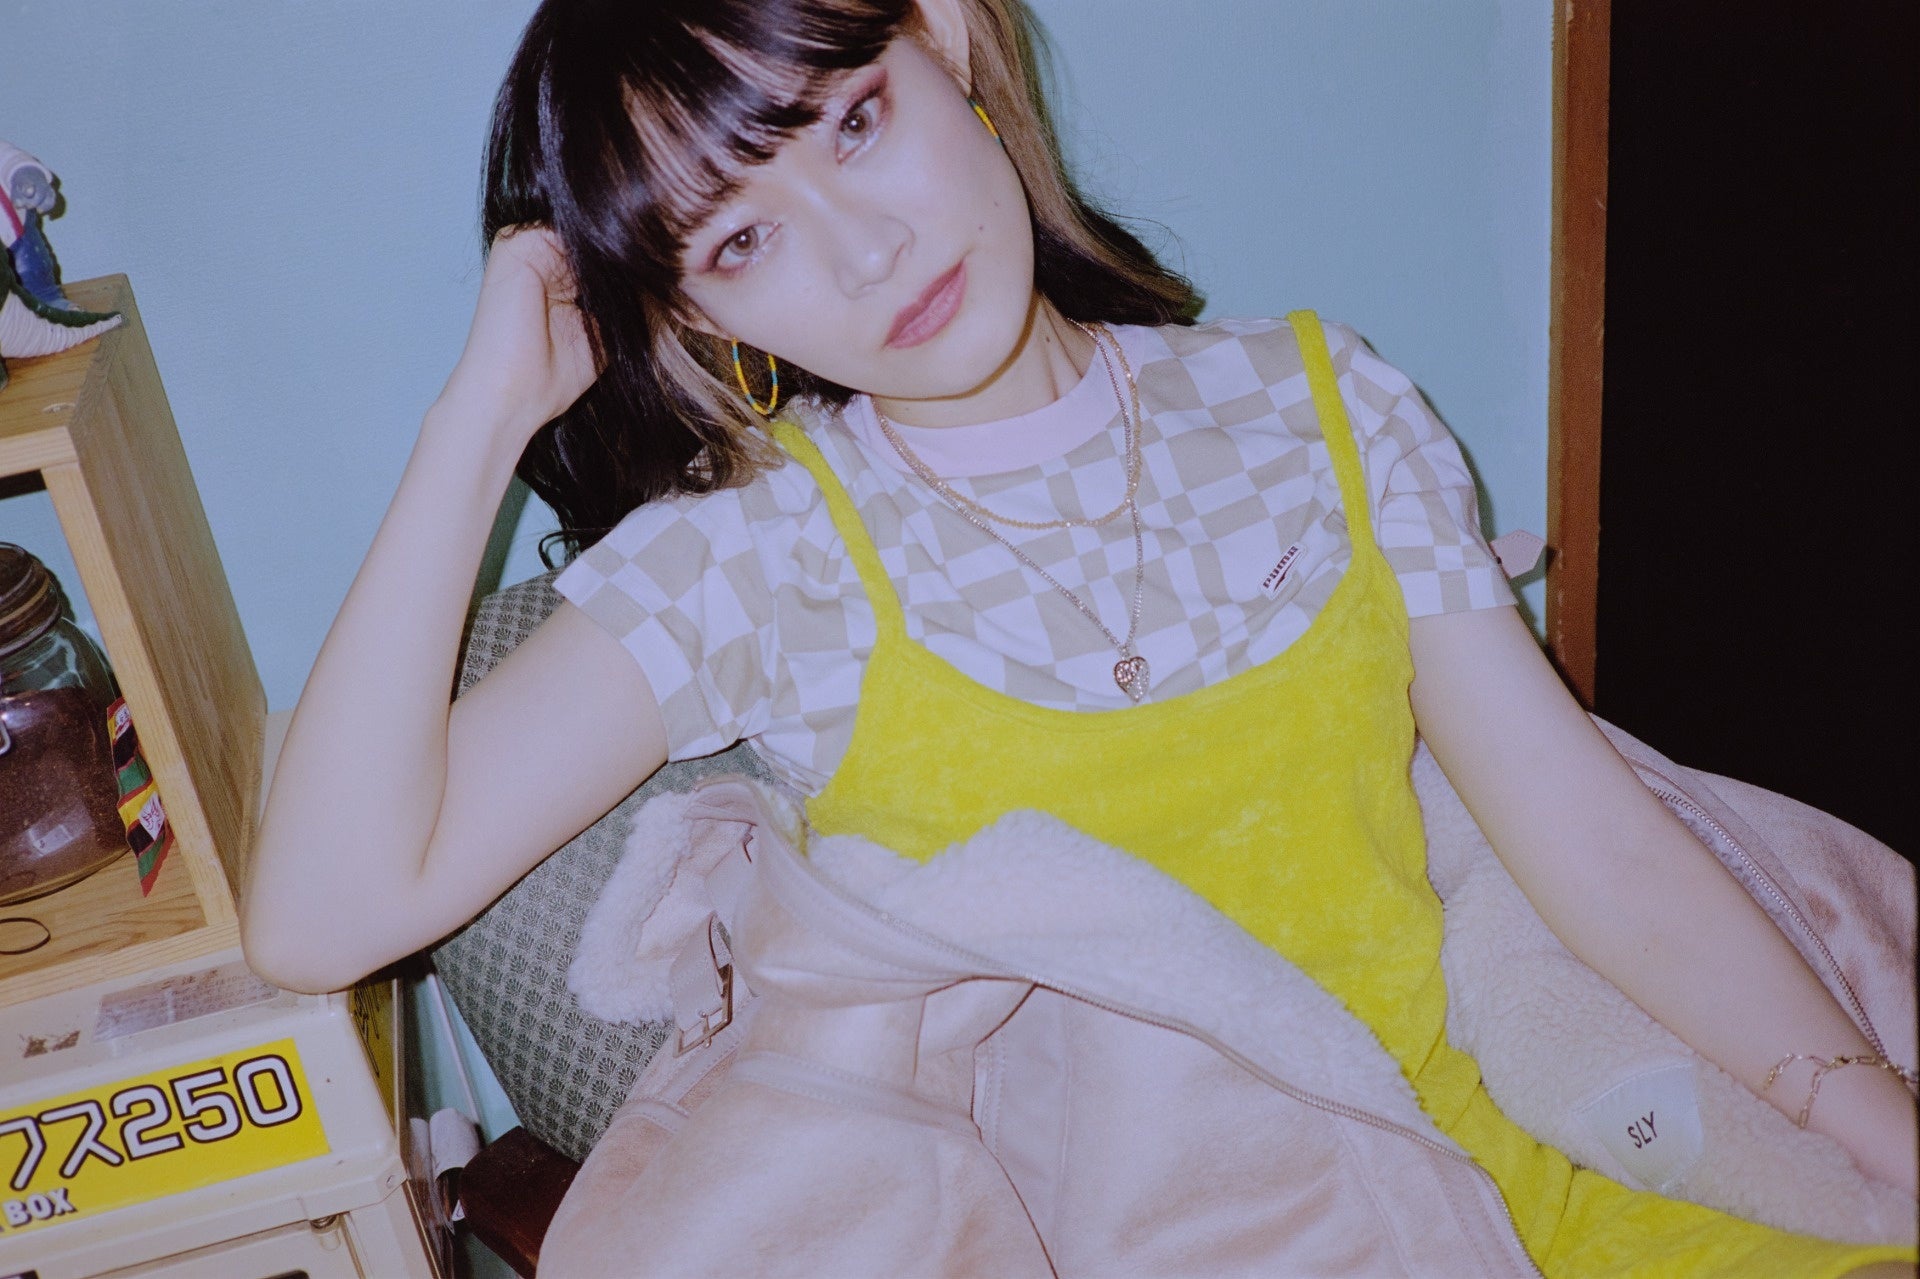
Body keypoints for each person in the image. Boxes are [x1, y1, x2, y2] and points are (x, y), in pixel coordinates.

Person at [240, 0, 1918, 1273]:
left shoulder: (1320, 400)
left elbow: (1594, 846)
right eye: (742, 240)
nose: (866, 250)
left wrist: (1872, 1122)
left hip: (1549, 1174)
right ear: (698, 316)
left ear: (949, 39)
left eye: (853, 122)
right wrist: (483, 415)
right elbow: (324, 914)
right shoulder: (755, 558)